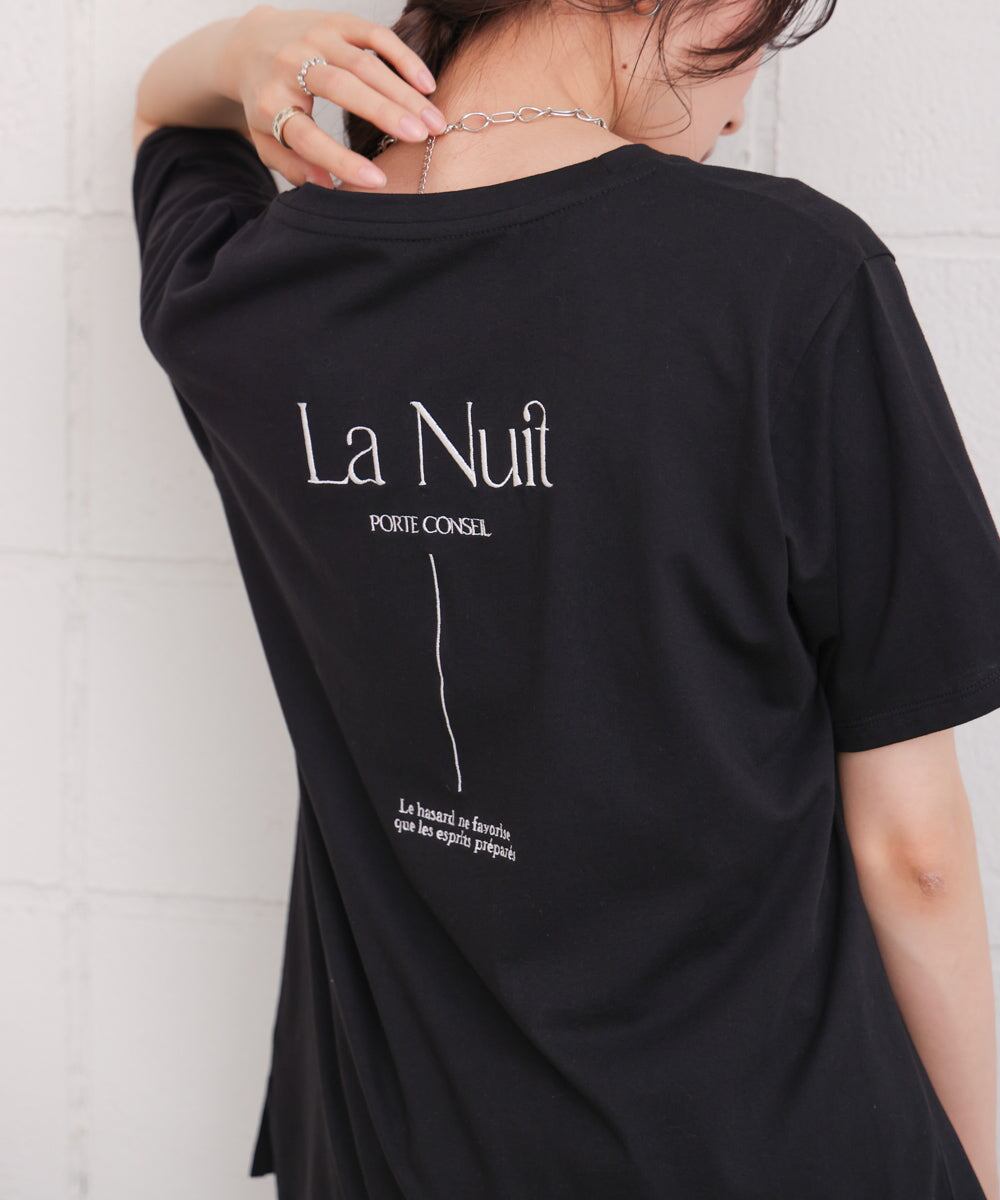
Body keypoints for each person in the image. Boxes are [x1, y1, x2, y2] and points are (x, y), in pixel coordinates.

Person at [131, 1, 1000, 1196]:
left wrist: (245, 52)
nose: (736, 107)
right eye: (758, 34)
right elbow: (915, 853)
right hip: (752, 1146)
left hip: (386, 1148)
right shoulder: (784, 278)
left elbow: (161, 120)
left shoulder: (247, 287)